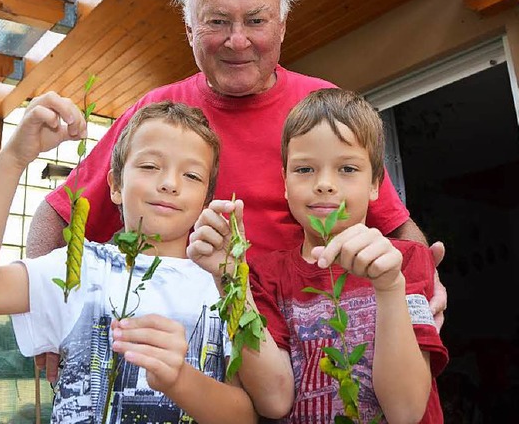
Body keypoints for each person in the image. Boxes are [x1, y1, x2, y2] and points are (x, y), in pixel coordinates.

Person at [28, 0, 447, 383]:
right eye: (217, 21)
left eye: (256, 20)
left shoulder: (320, 111)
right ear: (189, 28)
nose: (238, 40)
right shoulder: (157, 114)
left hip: (306, 361)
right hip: (179, 353)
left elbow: (397, 229)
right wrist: (52, 320)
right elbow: (57, 213)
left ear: (282, 26)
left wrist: (424, 284)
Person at [0, 100, 258, 424]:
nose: (170, 183)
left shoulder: (222, 283)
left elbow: (244, 416)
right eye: (150, 166)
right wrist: (13, 159)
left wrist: (180, 379)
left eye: (191, 175)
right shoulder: (83, 268)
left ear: (206, 199)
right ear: (115, 186)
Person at [190, 88, 449, 422]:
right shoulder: (263, 274)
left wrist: (389, 288)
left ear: (376, 184)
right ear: (284, 182)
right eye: (304, 170)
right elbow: (273, 400)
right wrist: (230, 280)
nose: (325, 184)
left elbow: (406, 411)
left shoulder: (406, 261)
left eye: (347, 169)